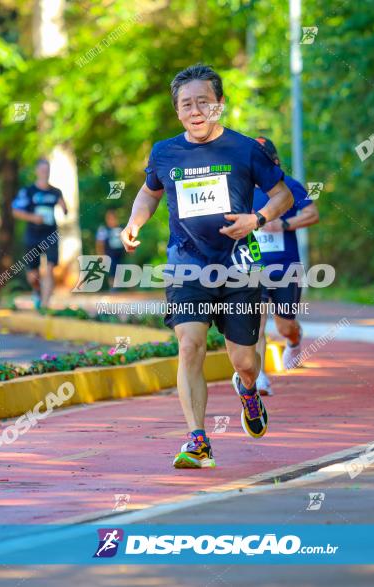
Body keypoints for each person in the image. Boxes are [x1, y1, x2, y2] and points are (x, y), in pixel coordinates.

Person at [120, 64, 293, 469]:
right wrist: (134, 221)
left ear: (219, 105)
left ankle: (247, 391)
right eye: (186, 104)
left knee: (244, 362)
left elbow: (282, 195)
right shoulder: (165, 152)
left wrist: (258, 219)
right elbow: (149, 194)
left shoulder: (246, 148)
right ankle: (198, 440)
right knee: (189, 345)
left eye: (203, 102)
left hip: (239, 268)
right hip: (187, 266)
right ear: (177, 111)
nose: (195, 110)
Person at [251, 137, 320, 395]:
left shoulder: (288, 186)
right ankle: (259, 377)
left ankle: (294, 339)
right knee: (255, 324)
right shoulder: (243, 189)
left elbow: (312, 213)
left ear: (274, 161)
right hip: (253, 269)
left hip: (285, 267)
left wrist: (284, 224)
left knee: (284, 325)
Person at [12, 159, 67, 309]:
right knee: (33, 275)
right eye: (42, 170)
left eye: (47, 170)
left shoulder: (56, 192)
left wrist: (64, 208)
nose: (45, 173)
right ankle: (37, 290)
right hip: (32, 235)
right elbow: (15, 211)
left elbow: (65, 208)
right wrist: (33, 218)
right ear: (36, 171)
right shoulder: (28, 191)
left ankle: (45, 304)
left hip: (50, 234)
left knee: (50, 267)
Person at [95, 209, 125, 290]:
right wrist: (101, 254)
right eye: (109, 218)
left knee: (120, 269)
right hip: (110, 254)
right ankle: (113, 287)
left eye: (113, 218)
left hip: (120, 254)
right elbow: (100, 243)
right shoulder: (104, 229)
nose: (111, 221)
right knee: (112, 270)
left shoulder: (121, 228)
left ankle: (118, 287)